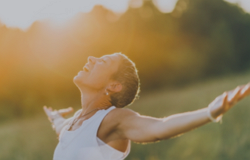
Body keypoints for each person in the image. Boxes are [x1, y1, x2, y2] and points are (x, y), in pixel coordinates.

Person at [44, 52, 250, 160]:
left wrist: (209, 113)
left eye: (102, 61)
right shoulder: (77, 121)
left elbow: (158, 128)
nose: (91, 58)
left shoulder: (112, 119)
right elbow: (62, 130)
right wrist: (55, 117)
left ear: (113, 85)